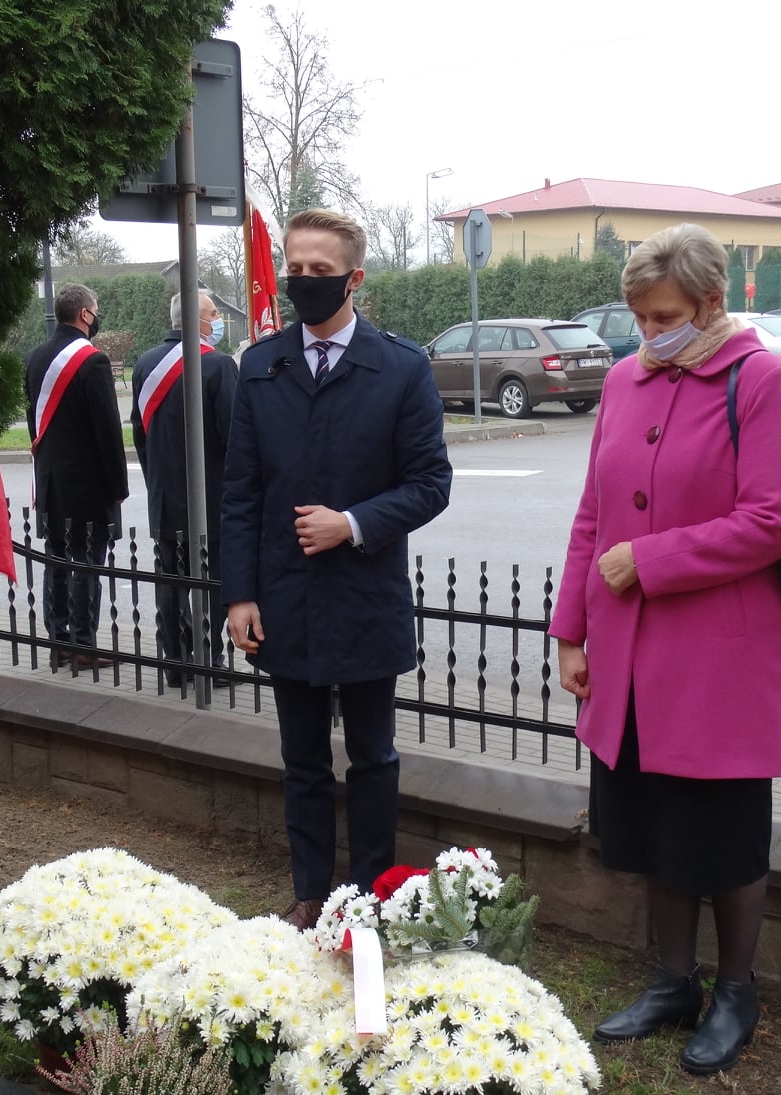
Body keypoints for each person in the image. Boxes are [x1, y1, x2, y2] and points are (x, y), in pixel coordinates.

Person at [549, 225, 781, 1076]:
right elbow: (593, 513)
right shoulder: (625, 379)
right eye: (637, 315)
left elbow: (774, 517)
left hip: (718, 657)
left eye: (662, 315)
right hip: (626, 652)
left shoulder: (758, 378)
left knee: (722, 833)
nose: (646, 331)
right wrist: (571, 633)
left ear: (710, 304)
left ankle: (736, 988)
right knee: (654, 821)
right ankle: (672, 980)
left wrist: (651, 560)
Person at [219, 208, 453, 931]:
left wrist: (351, 524)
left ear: (353, 278)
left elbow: (429, 483)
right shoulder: (259, 366)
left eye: (321, 271)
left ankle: (369, 898)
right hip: (284, 601)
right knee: (303, 761)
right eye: (296, 268)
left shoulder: (401, 368)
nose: (304, 282)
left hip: (363, 597)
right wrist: (240, 596)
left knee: (373, 758)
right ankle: (311, 892)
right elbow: (240, 494)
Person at [131, 289, 240, 688]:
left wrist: (156, 476)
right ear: (197, 319)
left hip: (164, 493)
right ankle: (208, 660)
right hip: (210, 496)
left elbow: (139, 432)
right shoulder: (218, 366)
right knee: (209, 578)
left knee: (171, 578)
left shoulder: (144, 363)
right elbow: (234, 438)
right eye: (213, 314)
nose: (217, 322)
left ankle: (174, 663)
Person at [24, 284, 127, 669]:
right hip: (87, 484)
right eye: (95, 310)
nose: (97, 316)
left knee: (57, 560)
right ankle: (84, 645)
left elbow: (36, 420)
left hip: (50, 480)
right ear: (85, 314)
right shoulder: (93, 361)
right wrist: (118, 486)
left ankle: (61, 640)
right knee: (86, 563)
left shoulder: (35, 357)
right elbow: (108, 431)